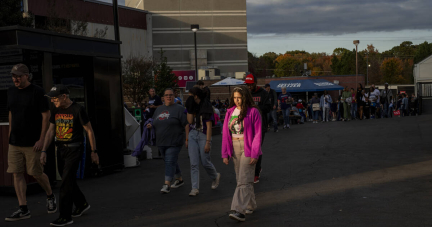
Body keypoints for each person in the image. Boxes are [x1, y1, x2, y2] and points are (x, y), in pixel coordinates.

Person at [41, 84, 99, 226]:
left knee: (65, 183)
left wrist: (94, 151)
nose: (53, 101)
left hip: (75, 149)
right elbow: (50, 131)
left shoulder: (78, 109)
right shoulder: (56, 110)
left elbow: (89, 131)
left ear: (64, 96)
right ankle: (81, 204)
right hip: (60, 149)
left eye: (55, 98)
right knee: (68, 180)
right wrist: (43, 150)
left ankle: (65, 216)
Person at [5, 64, 57, 222]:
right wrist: (9, 135)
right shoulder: (11, 91)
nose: (16, 79)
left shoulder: (37, 92)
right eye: (14, 76)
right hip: (15, 142)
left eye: (19, 76)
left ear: (27, 76)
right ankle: (23, 209)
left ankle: (50, 196)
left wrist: (41, 139)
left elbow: (46, 116)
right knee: (16, 173)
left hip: (32, 142)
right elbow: (11, 113)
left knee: (36, 173)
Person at [221, 86, 262, 222]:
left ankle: (238, 210)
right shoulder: (230, 112)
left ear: (245, 97)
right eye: (235, 97)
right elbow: (225, 134)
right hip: (234, 147)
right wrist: (225, 153)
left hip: (248, 148)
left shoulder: (254, 112)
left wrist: (255, 153)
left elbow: (257, 135)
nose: (237, 100)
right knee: (243, 179)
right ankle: (250, 204)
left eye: (239, 97)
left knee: (243, 179)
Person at [146, 88, 188, 194]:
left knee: (169, 160)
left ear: (174, 96)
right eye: (167, 95)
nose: (169, 97)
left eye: (171, 95)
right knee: (170, 161)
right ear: (163, 97)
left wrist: (187, 138)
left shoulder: (179, 109)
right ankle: (179, 179)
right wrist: (151, 125)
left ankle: (167, 184)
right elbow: (154, 121)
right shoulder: (159, 109)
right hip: (161, 141)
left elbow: (186, 124)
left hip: (175, 141)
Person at [184, 87, 221, 196]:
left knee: (205, 161)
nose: (188, 96)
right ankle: (194, 188)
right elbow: (189, 122)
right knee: (193, 163)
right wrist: (190, 109)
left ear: (196, 95)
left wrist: (208, 142)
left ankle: (215, 176)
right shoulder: (191, 105)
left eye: (190, 94)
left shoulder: (206, 106)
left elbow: (209, 126)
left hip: (204, 134)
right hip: (192, 134)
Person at [245, 74, 270, 184]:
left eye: (251, 85)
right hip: (248, 126)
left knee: (256, 148)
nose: (249, 87)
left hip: (260, 126)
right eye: (247, 85)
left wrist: (255, 109)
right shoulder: (246, 94)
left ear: (255, 83)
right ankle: (250, 171)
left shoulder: (263, 93)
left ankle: (256, 172)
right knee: (249, 149)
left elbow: (268, 107)